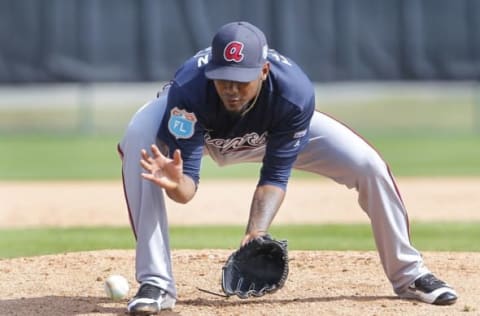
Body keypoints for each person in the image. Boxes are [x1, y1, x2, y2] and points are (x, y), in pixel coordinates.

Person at [118, 21, 457, 315]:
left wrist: (256, 232)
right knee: (138, 138)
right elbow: (187, 188)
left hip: (269, 130)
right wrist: (175, 184)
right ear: (211, 74)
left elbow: (275, 175)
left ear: (263, 71)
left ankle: (409, 274)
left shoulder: (293, 93)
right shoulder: (189, 92)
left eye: (242, 80)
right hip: (203, 133)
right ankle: (156, 284)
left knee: (368, 164)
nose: (232, 90)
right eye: (223, 80)